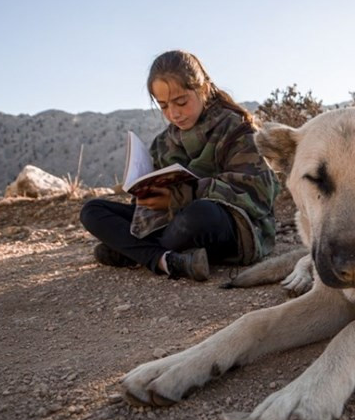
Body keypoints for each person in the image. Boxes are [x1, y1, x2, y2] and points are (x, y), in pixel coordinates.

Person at [79, 50, 281, 281]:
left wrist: (182, 196)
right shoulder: (163, 144)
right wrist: (147, 197)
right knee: (92, 210)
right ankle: (166, 259)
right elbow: (151, 203)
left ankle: (134, 251)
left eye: (181, 102)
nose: (174, 114)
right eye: (163, 106)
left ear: (203, 89)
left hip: (228, 225)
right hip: (169, 222)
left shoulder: (238, 130)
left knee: (199, 214)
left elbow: (257, 194)